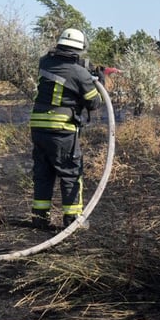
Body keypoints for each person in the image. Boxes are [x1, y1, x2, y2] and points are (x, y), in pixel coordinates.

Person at [29, 27, 101, 229]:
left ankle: (40, 218)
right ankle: (72, 220)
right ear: (79, 50)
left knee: (43, 173)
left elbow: (61, 70)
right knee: (70, 173)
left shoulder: (45, 62)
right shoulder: (80, 73)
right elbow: (94, 103)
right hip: (61, 130)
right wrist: (97, 81)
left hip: (38, 126)